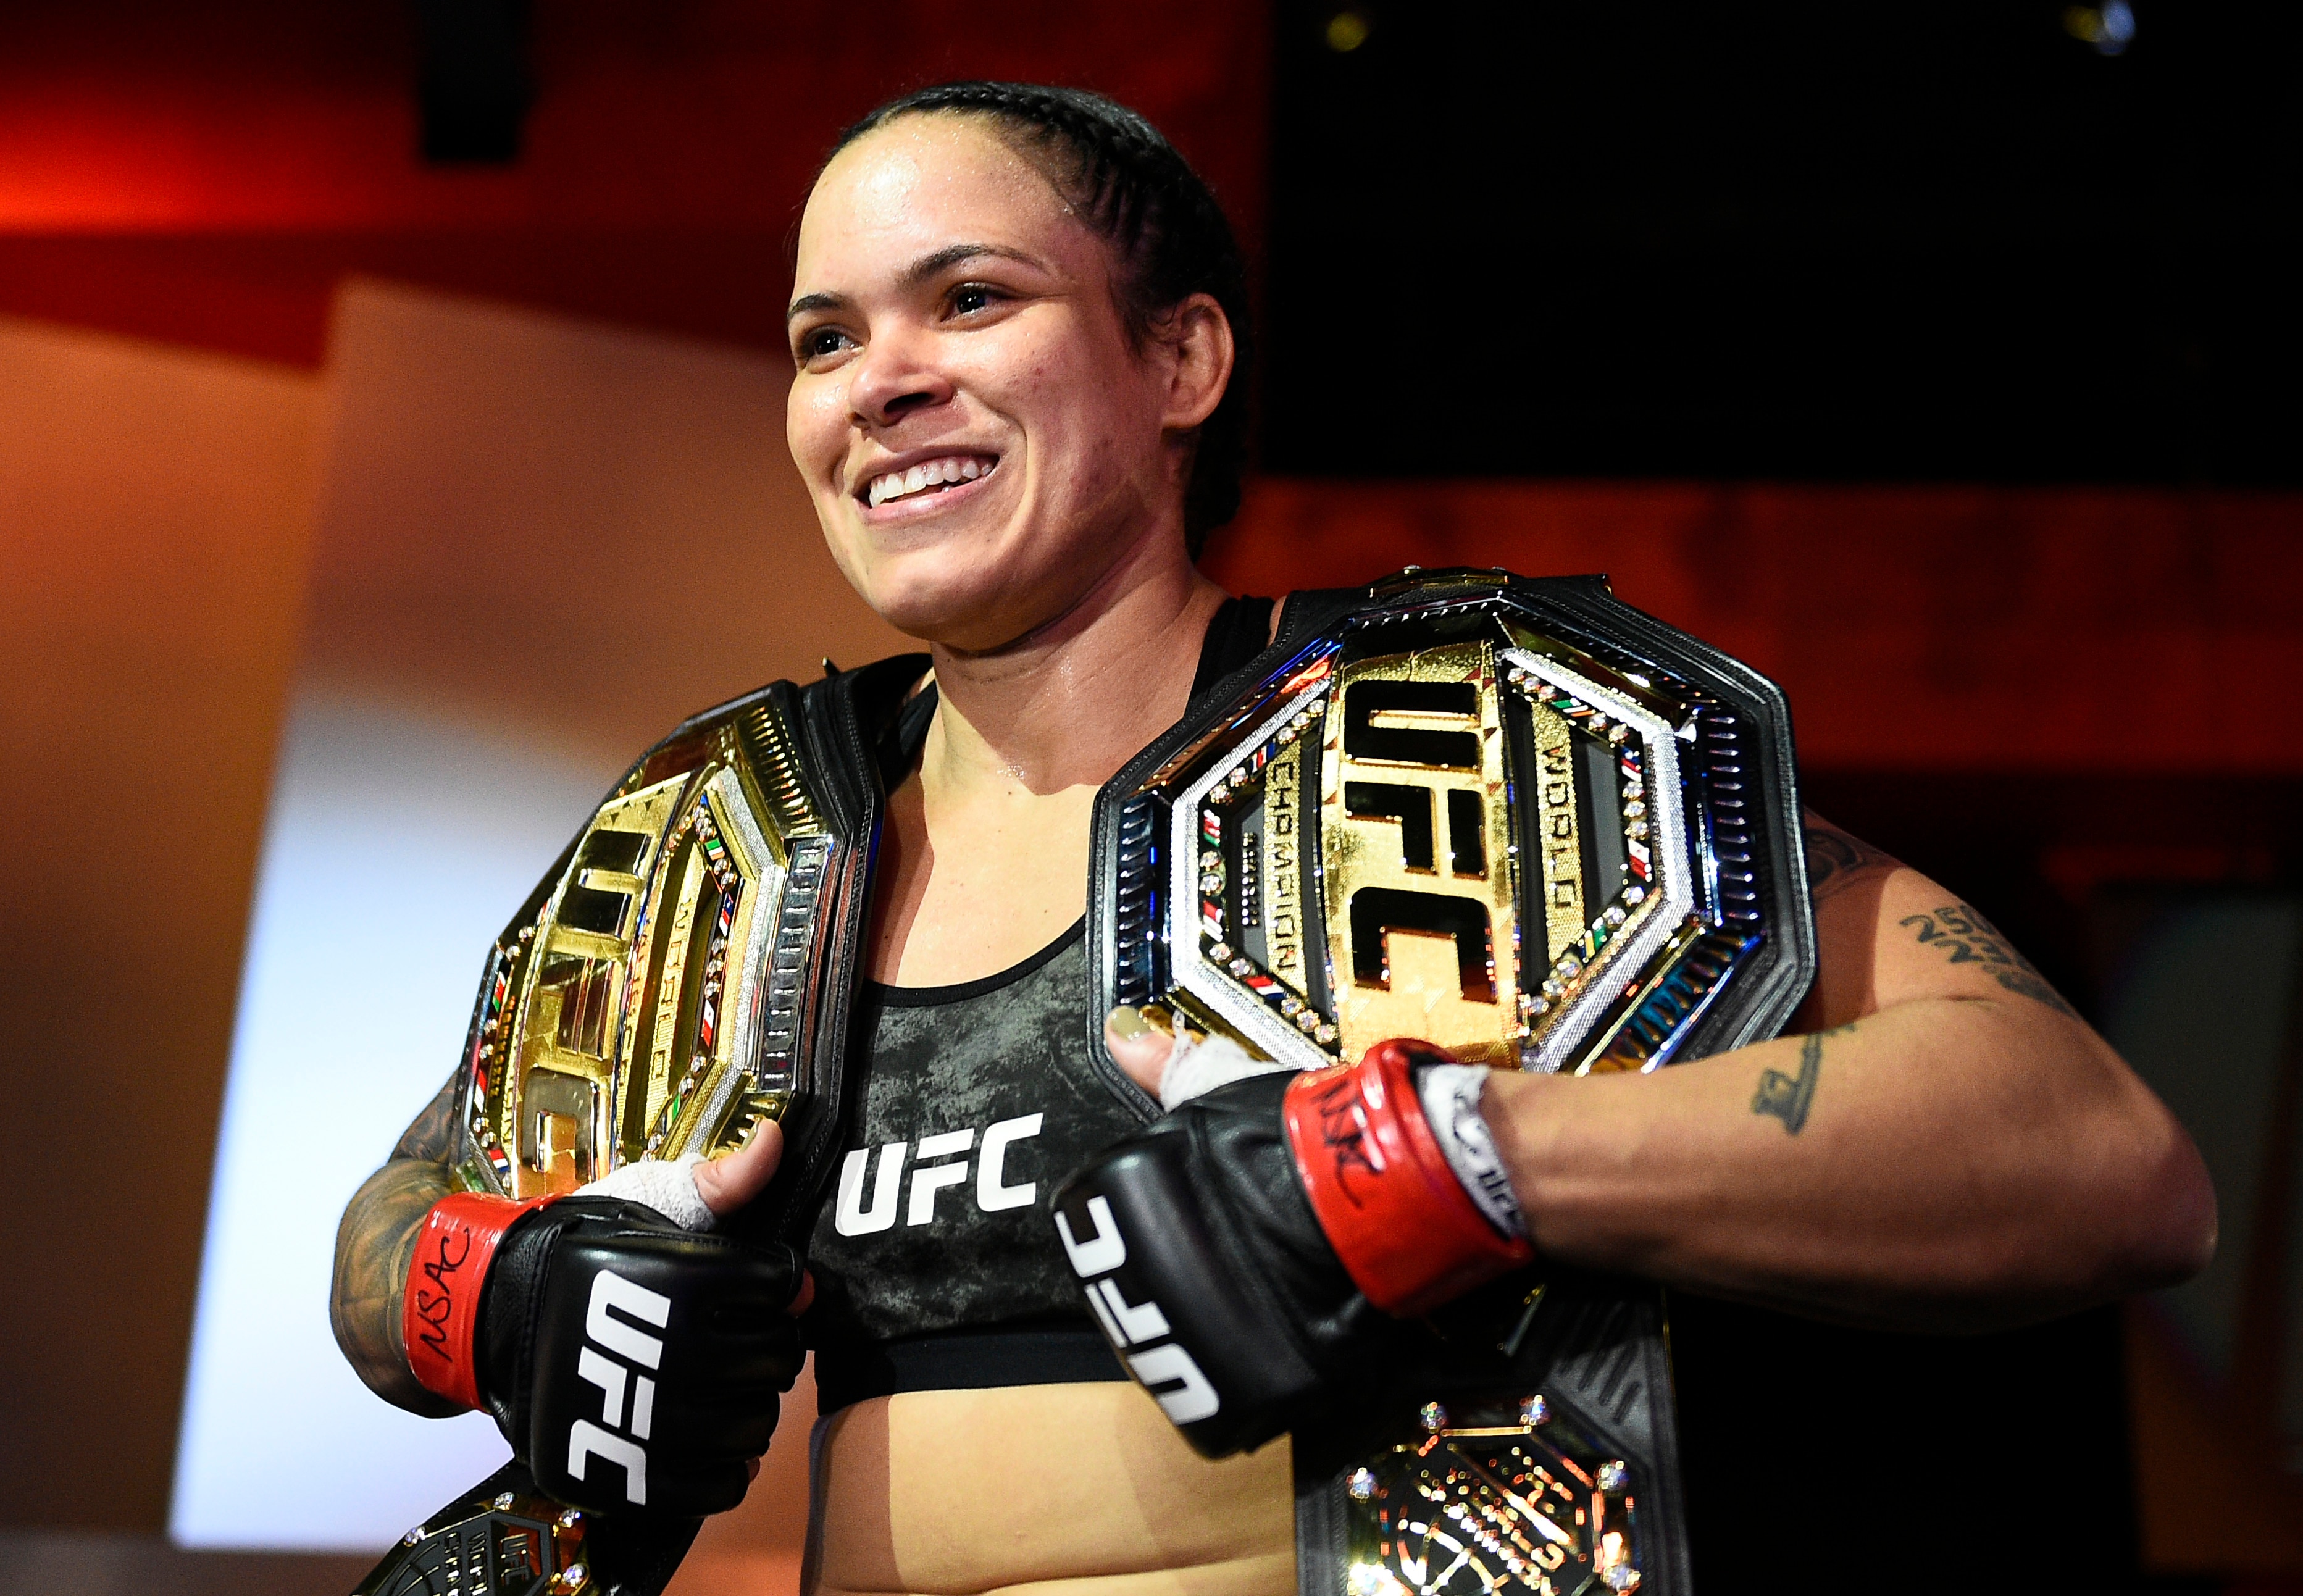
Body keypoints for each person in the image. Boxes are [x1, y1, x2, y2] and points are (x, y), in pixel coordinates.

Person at [333, 82, 2217, 1595]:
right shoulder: (725, 849)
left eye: (970, 300)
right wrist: (487, 1281)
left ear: (1181, 362)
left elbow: (2100, 1156)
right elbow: (386, 1231)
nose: (877, 380)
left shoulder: (1486, 742)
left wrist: (1463, 1155)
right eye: (826, 336)